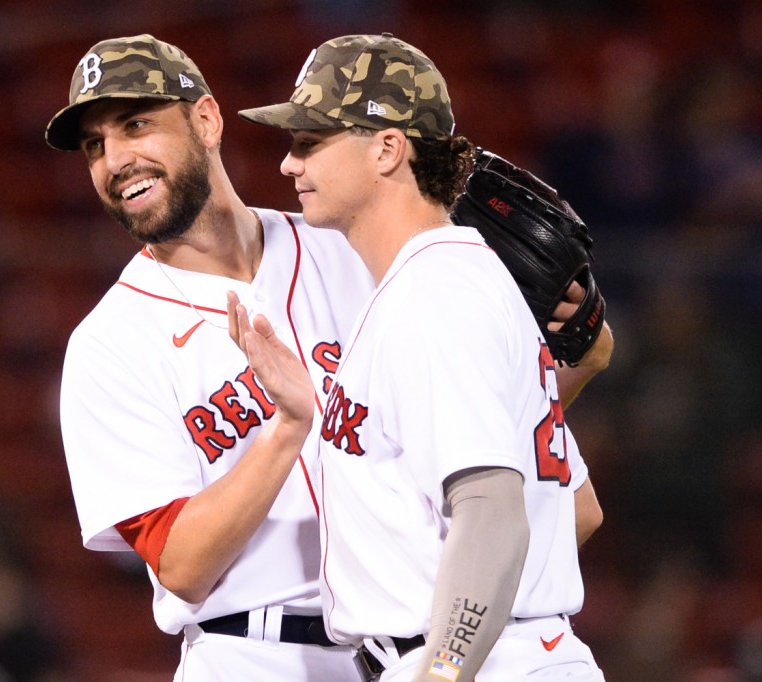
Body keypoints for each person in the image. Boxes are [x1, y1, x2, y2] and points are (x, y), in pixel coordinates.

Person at [46, 33, 608, 682]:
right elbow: (181, 563)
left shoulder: (363, 253)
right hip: (257, 653)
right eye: (94, 146)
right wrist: (288, 429)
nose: (116, 159)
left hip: (429, 636)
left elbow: (488, 452)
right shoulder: (109, 343)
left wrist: (580, 364)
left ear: (205, 119)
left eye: (136, 125)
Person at [237, 33, 606, 681]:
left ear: (387, 147)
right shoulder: (451, 280)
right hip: (504, 654)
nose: (289, 166)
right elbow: (577, 509)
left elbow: (493, 512)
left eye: (310, 141)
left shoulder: (435, 293)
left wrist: (442, 668)